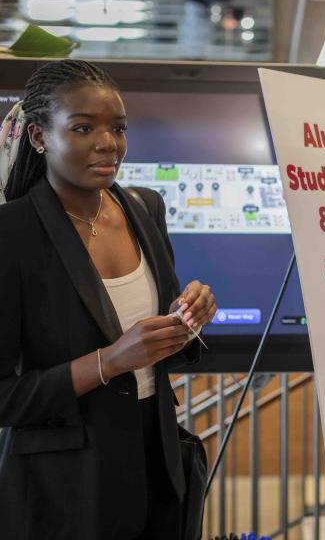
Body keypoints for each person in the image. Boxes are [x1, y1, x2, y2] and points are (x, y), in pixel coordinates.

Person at [0, 59, 217, 539]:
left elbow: (161, 350)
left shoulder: (143, 207)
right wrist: (110, 361)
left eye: (118, 128)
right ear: (39, 137)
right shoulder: (11, 233)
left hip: (158, 464)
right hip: (66, 487)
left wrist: (188, 319)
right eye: (83, 128)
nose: (108, 143)